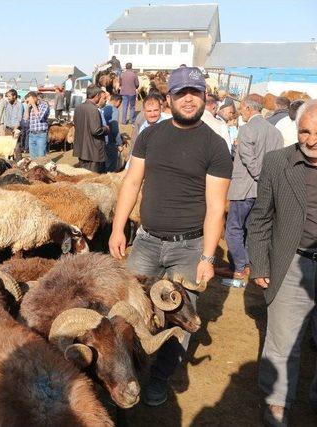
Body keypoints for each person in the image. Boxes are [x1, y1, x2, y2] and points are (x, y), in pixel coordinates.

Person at [109, 66, 233, 406]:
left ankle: (159, 378)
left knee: (180, 316)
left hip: (189, 247)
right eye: (181, 93)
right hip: (146, 241)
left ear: (205, 96)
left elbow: (215, 205)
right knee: (130, 308)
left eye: (195, 92)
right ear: (169, 99)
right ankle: (130, 370)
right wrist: (119, 227)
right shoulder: (150, 135)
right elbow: (132, 182)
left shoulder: (216, 145)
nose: (188, 99)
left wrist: (208, 257)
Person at [247, 100, 317, 427]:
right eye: (305, 131)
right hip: (291, 263)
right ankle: (277, 403)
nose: (312, 139)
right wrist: (260, 263)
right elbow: (260, 218)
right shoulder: (278, 162)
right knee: (283, 340)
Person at [220, 94, 284, 284]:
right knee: (253, 230)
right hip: (264, 191)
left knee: (233, 228)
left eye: (242, 109)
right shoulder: (275, 132)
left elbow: (249, 159)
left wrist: (260, 178)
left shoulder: (247, 129)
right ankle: (248, 264)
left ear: (249, 108)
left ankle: (240, 267)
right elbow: (277, 161)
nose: (240, 112)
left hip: (245, 188)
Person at [73, 84, 108, 173]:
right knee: (92, 179)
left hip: (81, 150)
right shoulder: (93, 109)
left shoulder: (78, 108)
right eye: (100, 96)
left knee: (83, 177)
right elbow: (96, 130)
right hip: (93, 152)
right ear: (96, 96)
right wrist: (106, 129)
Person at [22, 91, 50, 159]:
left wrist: (33, 105)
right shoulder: (31, 107)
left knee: (41, 158)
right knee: (33, 158)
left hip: (41, 135)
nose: (28, 103)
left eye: (29, 101)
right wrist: (28, 108)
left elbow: (39, 117)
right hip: (31, 135)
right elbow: (26, 119)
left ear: (34, 98)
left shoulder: (44, 105)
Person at [102, 93, 123, 172]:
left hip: (102, 139)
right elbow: (114, 129)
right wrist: (119, 143)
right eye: (120, 103)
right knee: (111, 164)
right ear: (118, 101)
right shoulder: (114, 110)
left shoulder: (103, 108)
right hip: (110, 140)